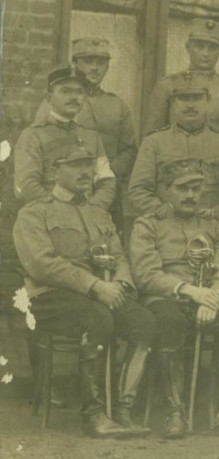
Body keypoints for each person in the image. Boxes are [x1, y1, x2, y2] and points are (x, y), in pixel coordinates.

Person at [12, 145, 156, 439]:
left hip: (102, 293)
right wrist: (95, 286)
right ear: (55, 171)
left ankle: (123, 408)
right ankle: (94, 413)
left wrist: (121, 284)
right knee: (98, 318)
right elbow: (42, 264)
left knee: (144, 322)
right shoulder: (34, 213)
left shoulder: (99, 214)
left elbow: (119, 255)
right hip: (50, 297)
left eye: (88, 165)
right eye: (75, 165)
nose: (85, 172)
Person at [129, 159, 219, 439]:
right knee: (169, 324)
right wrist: (191, 291)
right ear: (166, 190)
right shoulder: (148, 224)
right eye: (182, 189)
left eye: (196, 188)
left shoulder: (214, 224)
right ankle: (173, 411)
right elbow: (146, 275)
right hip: (168, 297)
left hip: (209, 298)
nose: (190, 195)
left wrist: (215, 297)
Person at [31, 38, 137, 219]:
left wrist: (106, 175)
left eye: (100, 63)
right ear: (76, 64)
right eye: (88, 62)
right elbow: (43, 145)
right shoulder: (57, 102)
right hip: (65, 196)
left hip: (107, 196)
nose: (94, 68)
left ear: (107, 67)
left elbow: (129, 149)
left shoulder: (118, 105)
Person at [14, 64, 115, 209]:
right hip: (47, 216)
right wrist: (64, 211)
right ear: (49, 98)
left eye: (79, 92)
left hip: (88, 215)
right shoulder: (33, 136)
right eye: (65, 91)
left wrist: (94, 208)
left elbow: (106, 180)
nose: (74, 97)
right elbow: (25, 187)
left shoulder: (92, 137)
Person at [129, 84, 219, 219]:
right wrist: (162, 211)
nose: (190, 105)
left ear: (208, 102)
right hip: (165, 224)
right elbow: (138, 189)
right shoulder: (154, 142)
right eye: (183, 99)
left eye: (197, 98)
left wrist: (216, 213)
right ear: (173, 103)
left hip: (211, 224)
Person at [144, 18, 219, 140]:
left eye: (212, 48)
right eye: (199, 47)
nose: (205, 54)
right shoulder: (168, 86)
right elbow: (152, 138)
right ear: (188, 47)